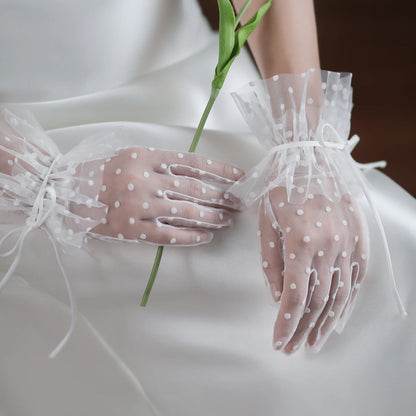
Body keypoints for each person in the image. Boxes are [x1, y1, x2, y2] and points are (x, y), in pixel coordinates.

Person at [0, 1, 415, 415]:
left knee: (370, 255)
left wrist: (302, 148)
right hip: (24, 138)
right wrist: (45, 181)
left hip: (188, 83)